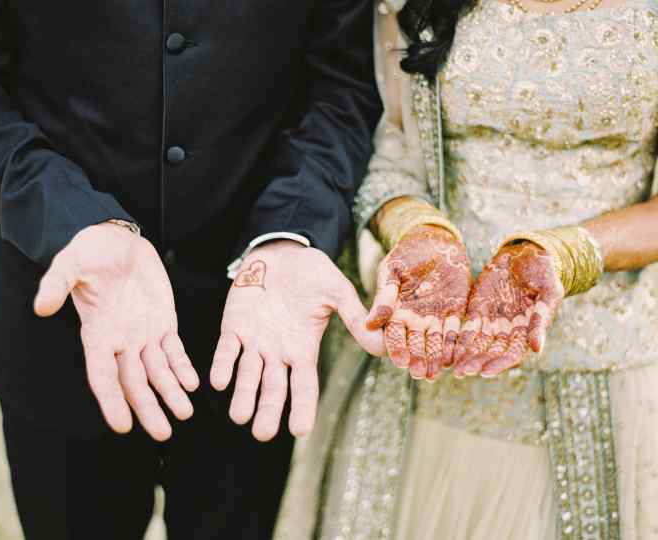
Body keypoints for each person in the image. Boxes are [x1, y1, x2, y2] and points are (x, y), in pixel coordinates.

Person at [0, 2, 386, 539]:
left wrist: (290, 232)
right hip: (62, 332)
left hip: (257, 342)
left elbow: (343, 86)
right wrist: (72, 221)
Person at [274, 0, 658, 538]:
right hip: (425, 343)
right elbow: (386, 147)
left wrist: (564, 254)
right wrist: (420, 236)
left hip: (604, 356)